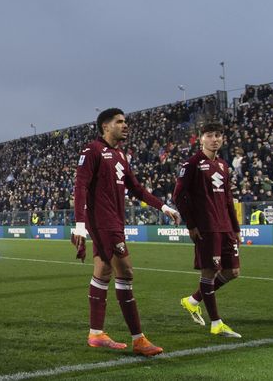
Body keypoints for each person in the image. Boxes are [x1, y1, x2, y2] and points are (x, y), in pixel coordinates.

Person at [72, 108, 180, 356]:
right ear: (105, 126)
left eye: (125, 121)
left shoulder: (120, 155)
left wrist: (163, 207)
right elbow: (80, 186)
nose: (125, 125)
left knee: (103, 270)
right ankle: (138, 339)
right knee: (126, 271)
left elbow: (137, 189)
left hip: (113, 222)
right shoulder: (92, 151)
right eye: (119, 121)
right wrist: (79, 225)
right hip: (103, 222)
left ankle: (96, 333)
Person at [174, 122, 242, 338]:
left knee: (232, 272)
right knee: (210, 272)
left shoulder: (223, 165)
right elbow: (179, 196)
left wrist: (236, 227)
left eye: (218, 136)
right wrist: (191, 224)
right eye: (210, 135)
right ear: (201, 139)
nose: (215, 139)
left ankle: (192, 300)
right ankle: (216, 323)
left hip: (226, 228)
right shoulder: (192, 163)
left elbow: (229, 199)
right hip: (207, 227)